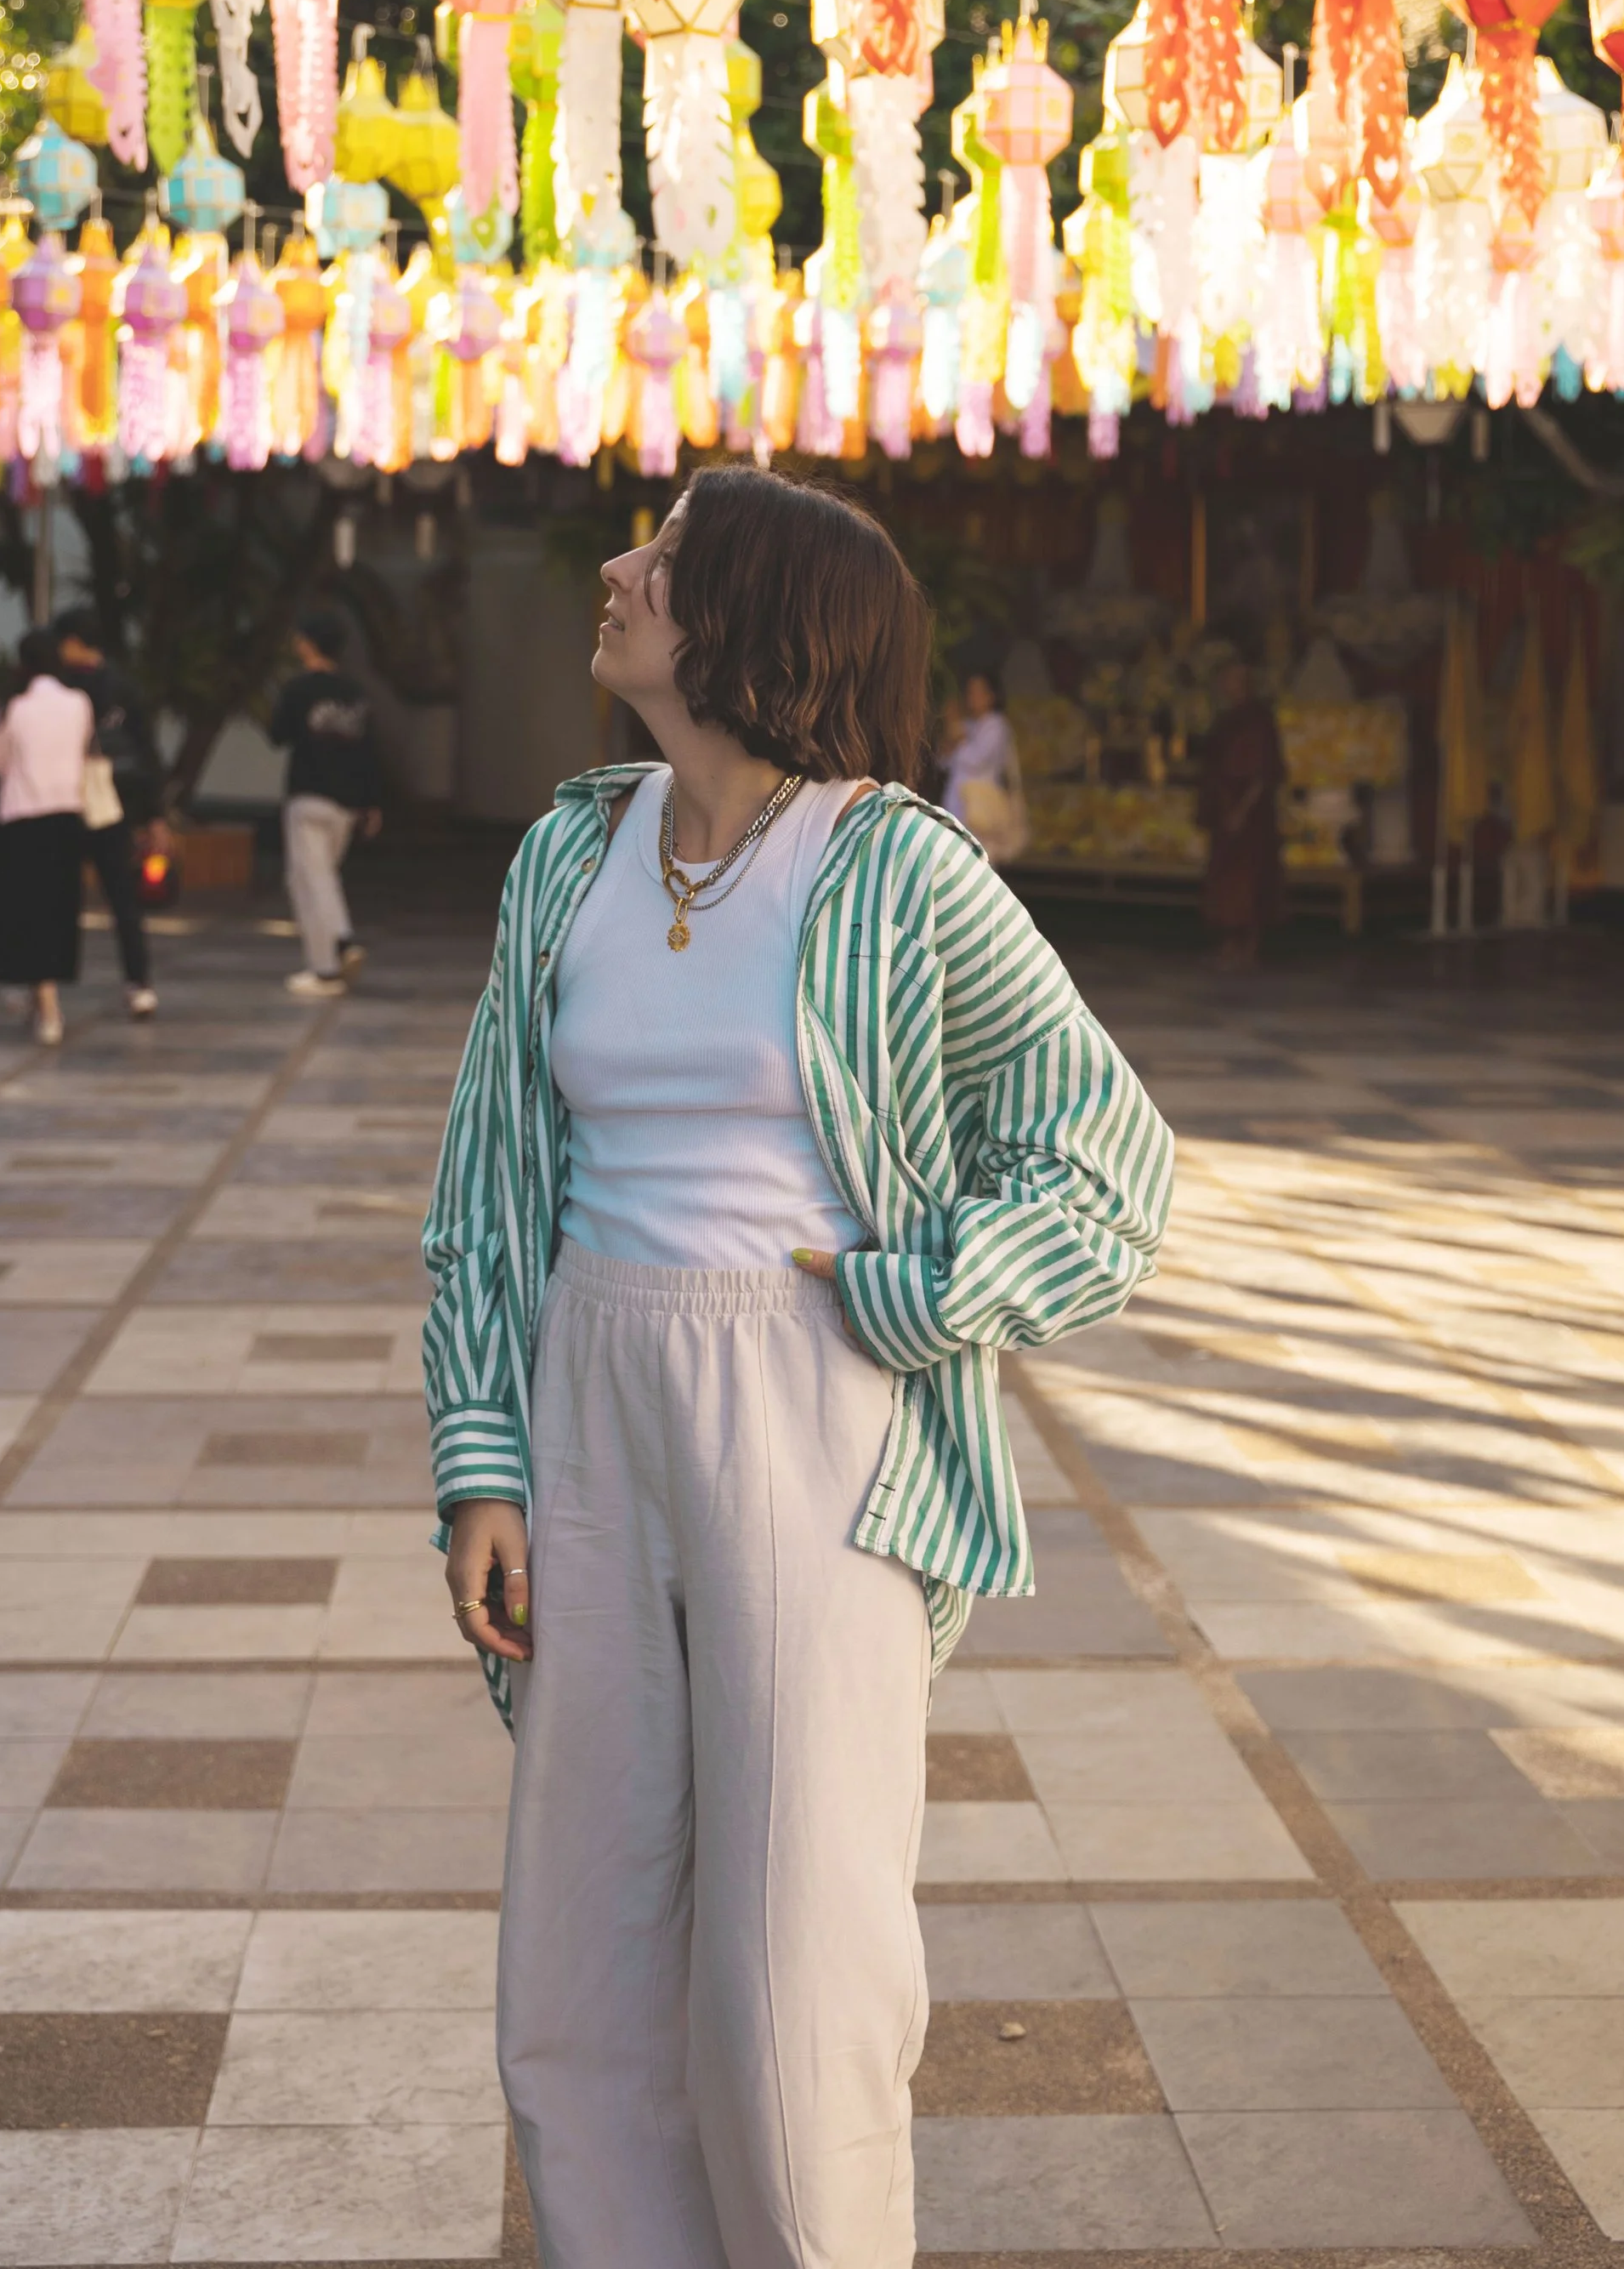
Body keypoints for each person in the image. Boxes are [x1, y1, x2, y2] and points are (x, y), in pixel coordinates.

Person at [425, 467, 1174, 2269]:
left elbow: (1108, 1153)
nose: (617, 570)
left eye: (666, 560)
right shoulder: (566, 853)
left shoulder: (895, 868)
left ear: (754, 620)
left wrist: (918, 1293)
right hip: (590, 1396)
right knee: (576, 1966)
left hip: (814, 1406)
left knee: (794, 1977)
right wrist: (482, 1461)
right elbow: (487, 1178)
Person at [0, 627, 93, 1047]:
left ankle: (45, 1002)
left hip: (22, 816)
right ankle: (43, 995)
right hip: (67, 814)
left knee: (23, 909)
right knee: (57, 908)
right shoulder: (79, 703)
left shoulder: (13, 707)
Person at [51, 608, 165, 1018]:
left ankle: (47, 986)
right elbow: (148, 751)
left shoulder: (57, 688)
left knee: (59, 899)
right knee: (123, 899)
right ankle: (138, 982)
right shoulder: (125, 688)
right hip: (115, 805)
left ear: (73, 642)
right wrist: (155, 815)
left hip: (64, 802)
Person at [268, 606, 383, 998]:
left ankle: (332, 958)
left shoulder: (299, 689)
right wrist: (372, 803)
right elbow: (369, 749)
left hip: (309, 795)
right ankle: (331, 957)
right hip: (347, 805)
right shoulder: (355, 693)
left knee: (310, 880)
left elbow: (276, 734)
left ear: (307, 644)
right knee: (321, 878)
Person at [1196, 654, 1286, 971]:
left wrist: (1242, 809)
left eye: (1232, 680)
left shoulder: (1258, 719)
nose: (1226, 686)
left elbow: (1263, 772)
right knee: (1224, 877)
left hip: (1250, 811)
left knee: (1250, 878)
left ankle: (1249, 946)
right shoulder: (1227, 719)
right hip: (1225, 805)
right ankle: (1228, 944)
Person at [940, 664, 1028, 860]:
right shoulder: (968, 724)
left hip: (981, 806)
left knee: (980, 862)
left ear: (992, 695)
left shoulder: (997, 725)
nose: (973, 697)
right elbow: (943, 761)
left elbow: (976, 760)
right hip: (958, 802)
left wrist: (958, 736)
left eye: (979, 692)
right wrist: (950, 729)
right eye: (970, 692)